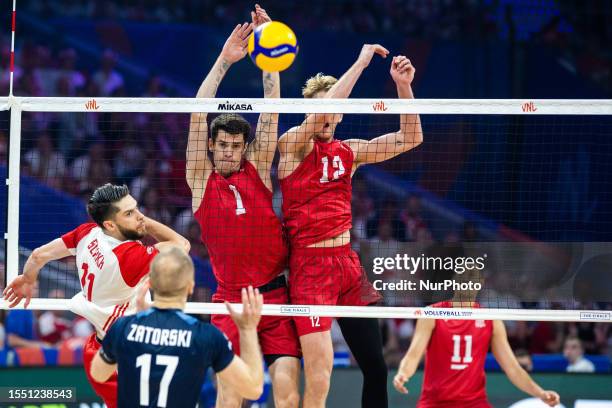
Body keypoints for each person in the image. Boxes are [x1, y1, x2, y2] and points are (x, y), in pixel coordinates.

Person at [278, 43, 424, 408]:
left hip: (347, 266)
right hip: (309, 271)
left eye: (334, 109)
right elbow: (323, 111)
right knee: (319, 374)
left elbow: (412, 138)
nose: (328, 116)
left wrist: (403, 87)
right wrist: (361, 61)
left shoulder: (350, 151)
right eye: (322, 108)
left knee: (375, 368)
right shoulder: (291, 145)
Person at [185, 5, 300, 408]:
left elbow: (271, 107)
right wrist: (224, 60)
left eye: (237, 146)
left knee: (287, 396)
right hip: (229, 301)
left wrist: (268, 48)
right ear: (213, 147)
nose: (230, 152)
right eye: (223, 146)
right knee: (230, 396)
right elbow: (199, 112)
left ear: (244, 148)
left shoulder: (258, 172)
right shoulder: (201, 181)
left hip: (276, 297)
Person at [3, 183, 189, 408]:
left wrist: (27, 279)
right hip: (128, 358)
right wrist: (145, 222)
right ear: (110, 224)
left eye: (137, 209)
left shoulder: (88, 233)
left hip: (98, 351)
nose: (139, 216)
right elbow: (182, 245)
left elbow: (38, 255)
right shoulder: (128, 259)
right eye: (130, 213)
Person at [90, 248, 265, 407]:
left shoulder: (124, 326)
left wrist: (138, 320)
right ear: (191, 287)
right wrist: (247, 330)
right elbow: (253, 389)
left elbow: (98, 374)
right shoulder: (206, 336)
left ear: (150, 284)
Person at [393, 269, 560, 407]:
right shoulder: (432, 314)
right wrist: (403, 373)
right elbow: (413, 355)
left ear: (480, 284)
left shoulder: (491, 319)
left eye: (473, 277)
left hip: (474, 403)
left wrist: (540, 393)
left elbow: (513, 368)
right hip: (435, 402)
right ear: (455, 281)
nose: (468, 282)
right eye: (464, 277)